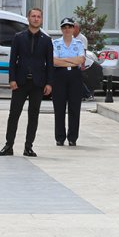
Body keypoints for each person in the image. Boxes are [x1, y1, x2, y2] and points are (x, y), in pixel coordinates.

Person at [0, 7, 53, 156]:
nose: (36, 19)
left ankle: (28, 147)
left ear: (41, 20)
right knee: (14, 115)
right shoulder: (19, 37)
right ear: (28, 18)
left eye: (38, 17)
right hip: (20, 82)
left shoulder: (47, 40)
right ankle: (8, 146)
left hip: (38, 84)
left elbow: (50, 63)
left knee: (33, 116)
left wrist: (49, 83)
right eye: (33, 16)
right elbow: (12, 60)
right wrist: (12, 79)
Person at [52, 16, 86, 146]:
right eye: (64, 27)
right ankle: (60, 137)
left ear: (73, 28)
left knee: (74, 107)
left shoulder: (79, 43)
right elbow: (54, 61)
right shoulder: (55, 43)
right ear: (61, 29)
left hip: (75, 76)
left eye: (70, 27)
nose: (67, 29)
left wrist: (64, 60)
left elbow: (81, 60)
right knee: (59, 107)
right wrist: (72, 60)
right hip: (59, 75)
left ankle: (73, 137)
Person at [70, 19, 95, 101]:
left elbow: (83, 51)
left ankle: (88, 94)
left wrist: (83, 64)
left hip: (79, 62)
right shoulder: (72, 37)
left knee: (78, 80)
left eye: (73, 28)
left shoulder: (82, 38)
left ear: (77, 29)